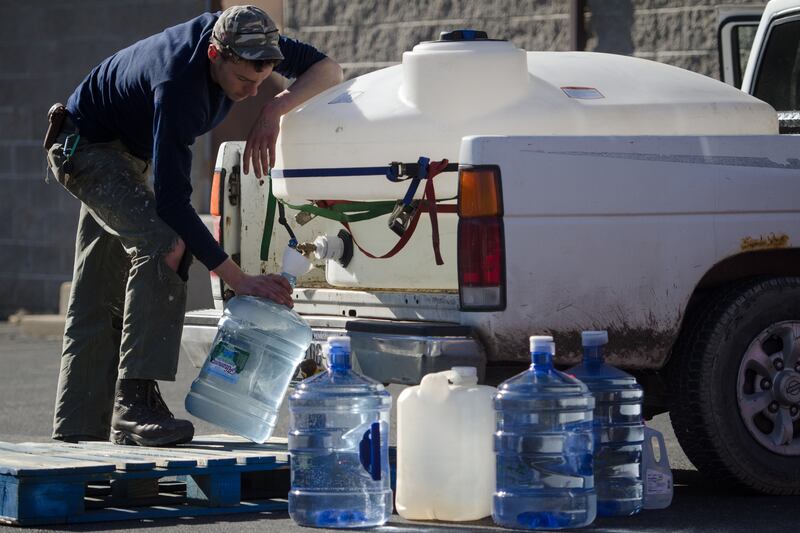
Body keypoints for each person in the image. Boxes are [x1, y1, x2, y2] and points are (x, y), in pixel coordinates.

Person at [44, 5, 343, 446]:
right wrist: (237, 278)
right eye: (244, 80)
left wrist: (275, 108)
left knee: (98, 293)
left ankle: (79, 436)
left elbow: (329, 70)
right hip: (85, 149)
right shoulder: (179, 83)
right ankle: (136, 404)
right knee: (164, 244)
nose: (250, 91)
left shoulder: (251, 42)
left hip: (122, 155)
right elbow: (172, 202)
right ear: (214, 55)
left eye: (261, 82)